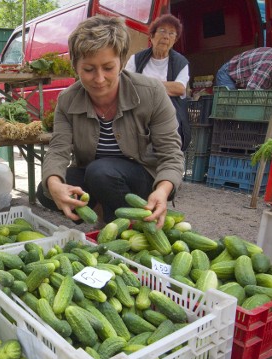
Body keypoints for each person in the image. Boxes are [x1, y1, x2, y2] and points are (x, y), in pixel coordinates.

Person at [36, 15, 184, 228]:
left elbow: (171, 153)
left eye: (108, 68)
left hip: (141, 179)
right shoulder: (68, 100)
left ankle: (127, 227)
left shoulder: (151, 93)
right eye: (88, 69)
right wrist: (54, 184)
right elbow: (58, 150)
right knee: (46, 191)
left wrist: (162, 190)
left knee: (101, 170)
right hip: (98, 177)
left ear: (122, 62)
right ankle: (106, 218)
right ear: (75, 66)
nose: (99, 78)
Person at [124, 14, 191, 151]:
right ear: (152, 36)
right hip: (139, 109)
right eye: (162, 31)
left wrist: (144, 84)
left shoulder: (181, 62)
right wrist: (164, 86)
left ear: (174, 40)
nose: (166, 36)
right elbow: (125, 84)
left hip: (168, 112)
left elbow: (179, 88)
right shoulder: (136, 59)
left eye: (171, 33)